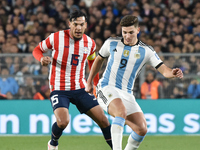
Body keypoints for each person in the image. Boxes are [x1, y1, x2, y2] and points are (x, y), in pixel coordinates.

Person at [85, 15, 183, 150]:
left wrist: (173, 73)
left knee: (141, 129)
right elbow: (98, 60)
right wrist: (89, 81)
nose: (127, 36)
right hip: (106, 87)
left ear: (138, 30)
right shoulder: (111, 43)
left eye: (131, 32)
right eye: (124, 32)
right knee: (120, 111)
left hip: (127, 93)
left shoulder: (146, 51)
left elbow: (164, 70)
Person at [32, 10, 112, 150]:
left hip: (80, 88)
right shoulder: (56, 38)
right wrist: (41, 59)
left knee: (104, 121)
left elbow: (93, 63)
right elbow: (37, 50)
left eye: (81, 24)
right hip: (59, 89)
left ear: (86, 25)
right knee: (63, 122)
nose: (78, 28)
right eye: (75, 24)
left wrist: (95, 84)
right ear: (70, 24)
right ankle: (53, 143)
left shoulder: (90, 43)